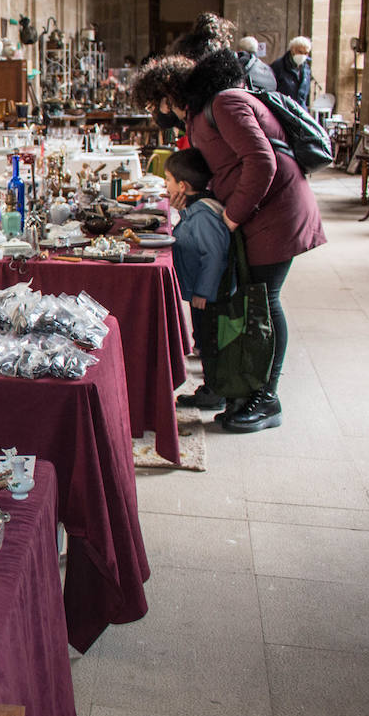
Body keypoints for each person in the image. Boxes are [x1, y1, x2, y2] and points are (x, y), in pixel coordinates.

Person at [132, 49, 326, 432]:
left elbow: (262, 161)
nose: (160, 112)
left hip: (276, 213)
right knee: (243, 299)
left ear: (171, 92)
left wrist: (231, 216)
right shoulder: (206, 111)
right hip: (257, 214)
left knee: (264, 303)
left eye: (158, 103)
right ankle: (225, 385)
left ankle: (266, 398)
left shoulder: (226, 102)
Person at [164, 148, 231, 412]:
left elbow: (214, 255)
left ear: (183, 185)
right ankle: (210, 385)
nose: (166, 186)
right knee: (202, 338)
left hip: (208, 295)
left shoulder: (203, 216)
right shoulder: (197, 208)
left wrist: (204, 291)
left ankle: (214, 391)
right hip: (200, 291)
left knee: (209, 340)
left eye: (168, 180)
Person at [271, 36, 313, 109]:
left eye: (306, 53)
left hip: (300, 110)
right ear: (293, 50)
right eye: (300, 52)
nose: (303, 55)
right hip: (283, 109)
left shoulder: (306, 68)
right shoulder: (278, 66)